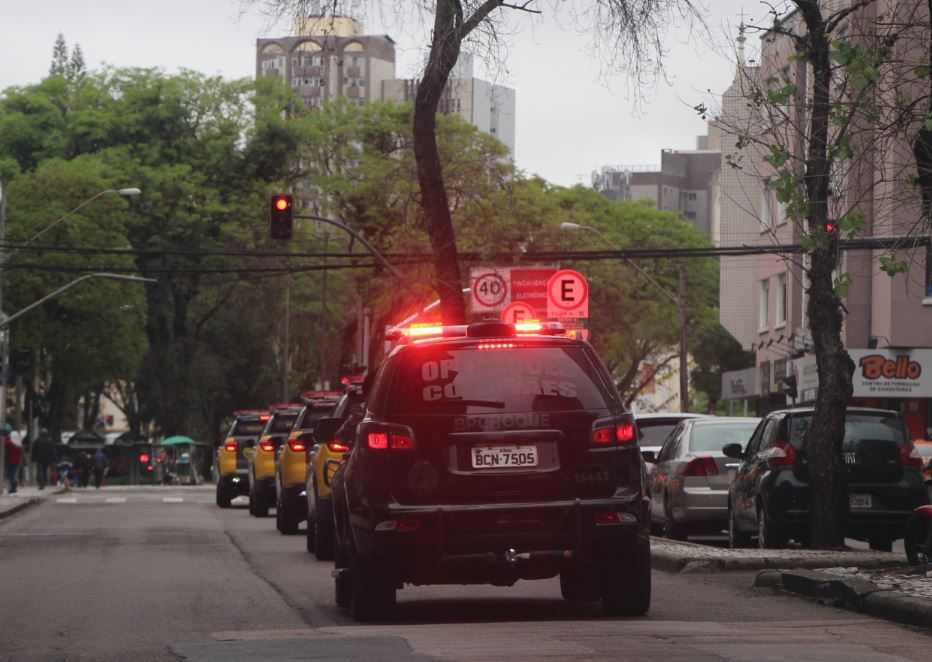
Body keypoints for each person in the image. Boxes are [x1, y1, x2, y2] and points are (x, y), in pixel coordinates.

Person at [3, 424, 23, 494]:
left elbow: (4, 444)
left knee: (10, 475)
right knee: (13, 474)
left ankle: (13, 487)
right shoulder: (19, 444)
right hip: (17, 461)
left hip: (10, 460)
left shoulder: (10, 442)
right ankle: (13, 487)